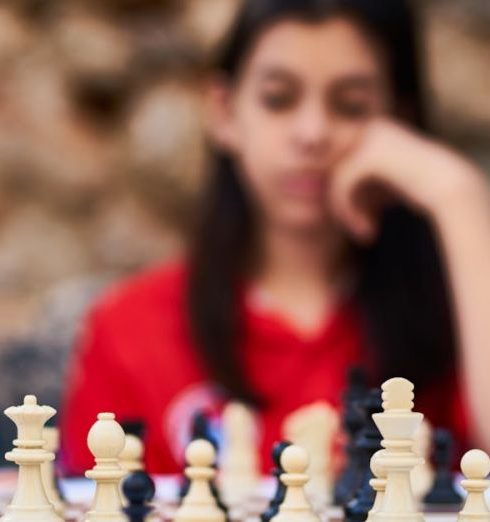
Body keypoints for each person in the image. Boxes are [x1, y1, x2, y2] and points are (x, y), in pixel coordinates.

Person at [60, 0, 490, 474]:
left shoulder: (464, 315)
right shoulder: (129, 329)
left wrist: (459, 196)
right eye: (278, 98)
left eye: (351, 105)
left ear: (399, 122)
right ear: (223, 111)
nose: (312, 133)